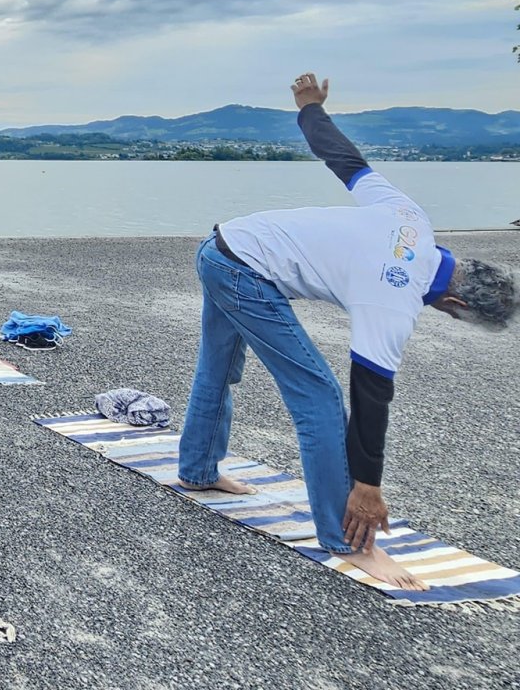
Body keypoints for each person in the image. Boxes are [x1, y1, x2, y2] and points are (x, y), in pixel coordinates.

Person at [180, 72, 516, 590]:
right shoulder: (396, 300)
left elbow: (345, 159)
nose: (448, 316)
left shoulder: (411, 218)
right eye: (454, 315)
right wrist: (367, 487)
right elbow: (370, 396)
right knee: (318, 395)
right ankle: (346, 539)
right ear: (456, 301)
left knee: (219, 365)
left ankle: (198, 470)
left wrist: (310, 108)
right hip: (243, 267)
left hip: (226, 242)